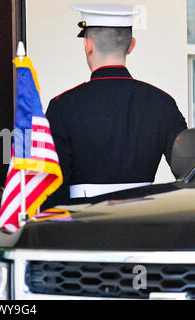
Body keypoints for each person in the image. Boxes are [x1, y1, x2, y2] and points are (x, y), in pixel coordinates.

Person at [43, 3, 187, 208]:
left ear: (88, 44)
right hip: (143, 228)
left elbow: (52, 190)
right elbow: (189, 171)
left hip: (80, 230)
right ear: (131, 45)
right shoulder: (162, 103)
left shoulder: (62, 106)